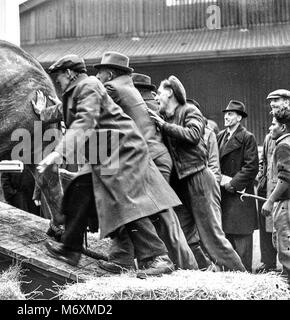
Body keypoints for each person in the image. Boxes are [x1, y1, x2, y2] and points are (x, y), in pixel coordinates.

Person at [33, 54, 181, 277]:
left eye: (59, 78)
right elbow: (63, 110)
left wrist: (58, 152)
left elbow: (85, 120)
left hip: (123, 150)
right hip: (106, 152)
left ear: (70, 73)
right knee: (78, 192)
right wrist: (41, 112)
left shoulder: (89, 86)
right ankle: (74, 250)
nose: (58, 83)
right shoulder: (80, 89)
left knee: (126, 203)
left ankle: (158, 258)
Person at [93, 52, 197, 273]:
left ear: (109, 73)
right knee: (130, 205)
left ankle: (163, 260)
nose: (97, 77)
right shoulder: (128, 87)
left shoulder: (111, 88)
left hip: (141, 158)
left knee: (136, 208)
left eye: (99, 73)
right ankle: (122, 257)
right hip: (148, 156)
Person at [148, 75, 246, 272]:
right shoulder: (166, 117)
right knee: (181, 236)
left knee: (212, 238)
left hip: (199, 179)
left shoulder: (190, 111)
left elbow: (193, 136)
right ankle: (201, 271)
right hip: (181, 184)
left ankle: (240, 277)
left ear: (169, 93)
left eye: (159, 93)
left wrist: (164, 126)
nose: (157, 98)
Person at [217, 100, 259, 272]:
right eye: (226, 113)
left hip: (239, 196)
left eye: (231, 114)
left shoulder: (247, 137)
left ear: (239, 118)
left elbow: (251, 167)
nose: (227, 116)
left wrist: (232, 184)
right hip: (223, 196)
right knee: (227, 243)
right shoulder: (220, 136)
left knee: (242, 243)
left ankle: (244, 277)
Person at [256, 89, 290, 273]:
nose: (272, 106)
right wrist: (261, 177)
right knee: (274, 234)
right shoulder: (271, 136)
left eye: (276, 102)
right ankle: (269, 263)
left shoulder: (284, 137)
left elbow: (285, 175)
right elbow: (265, 161)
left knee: (284, 237)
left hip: (283, 193)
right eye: (271, 104)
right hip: (272, 189)